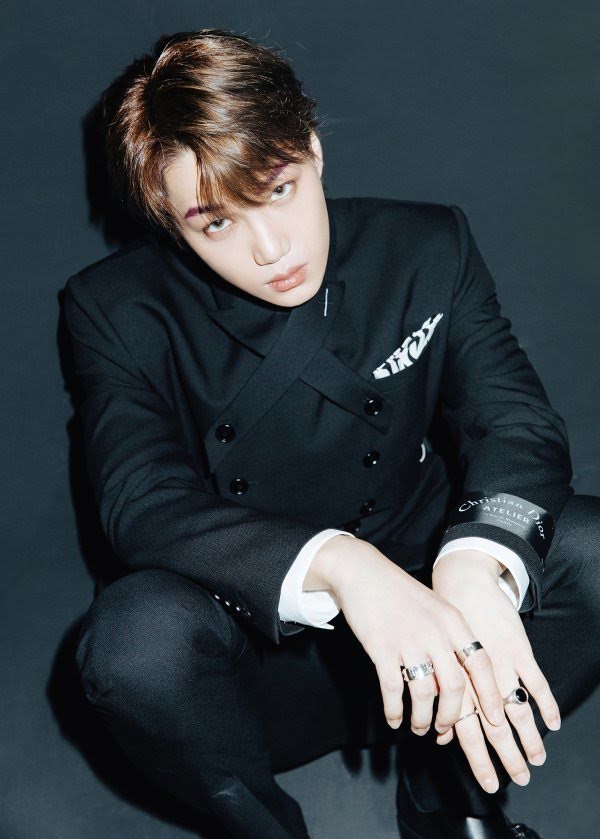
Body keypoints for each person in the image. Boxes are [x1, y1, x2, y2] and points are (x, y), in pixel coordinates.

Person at [65, 28, 600, 839]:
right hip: (270, 667)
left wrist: (476, 562)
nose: (271, 248)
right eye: (216, 223)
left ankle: (445, 791)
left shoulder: (425, 248)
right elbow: (142, 502)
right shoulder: (116, 309)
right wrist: (344, 567)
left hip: (445, 621)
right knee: (136, 645)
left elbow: (516, 423)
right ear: (172, 222)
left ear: (312, 149)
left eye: (278, 189)